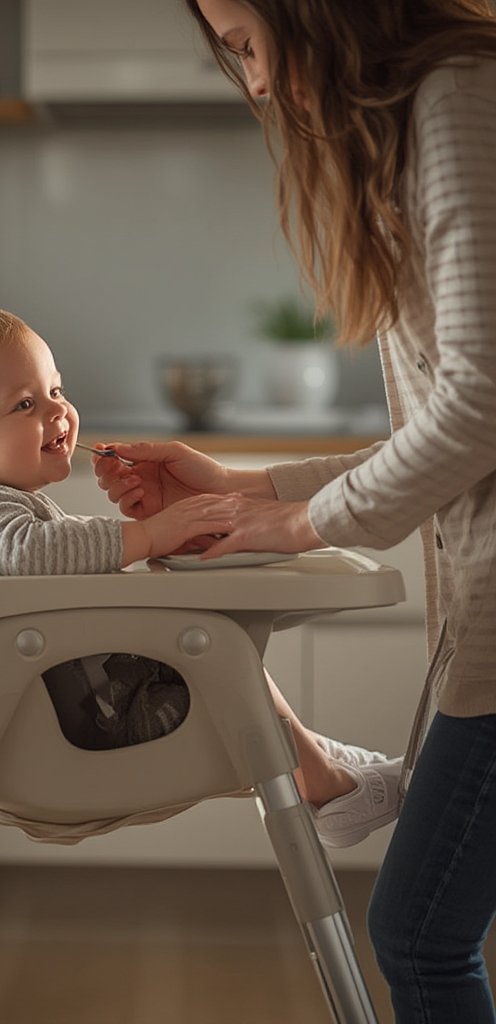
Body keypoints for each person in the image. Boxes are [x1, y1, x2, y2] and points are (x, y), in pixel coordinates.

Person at [93, 2, 496, 1020]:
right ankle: (354, 781)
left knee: (416, 931)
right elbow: (445, 425)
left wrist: (295, 523)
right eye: (232, 52)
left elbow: (484, 404)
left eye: (246, 40)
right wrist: (246, 491)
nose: (256, 81)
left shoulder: (456, 95)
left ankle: (350, 781)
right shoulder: (430, 111)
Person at [0, 305, 400, 839]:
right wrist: (149, 536)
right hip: (95, 723)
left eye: (57, 391)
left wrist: (156, 534)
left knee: (223, 653)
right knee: (222, 651)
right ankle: (325, 785)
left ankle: (321, 762)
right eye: (25, 403)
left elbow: (47, 563)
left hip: (78, 709)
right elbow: (28, 552)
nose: (58, 412)